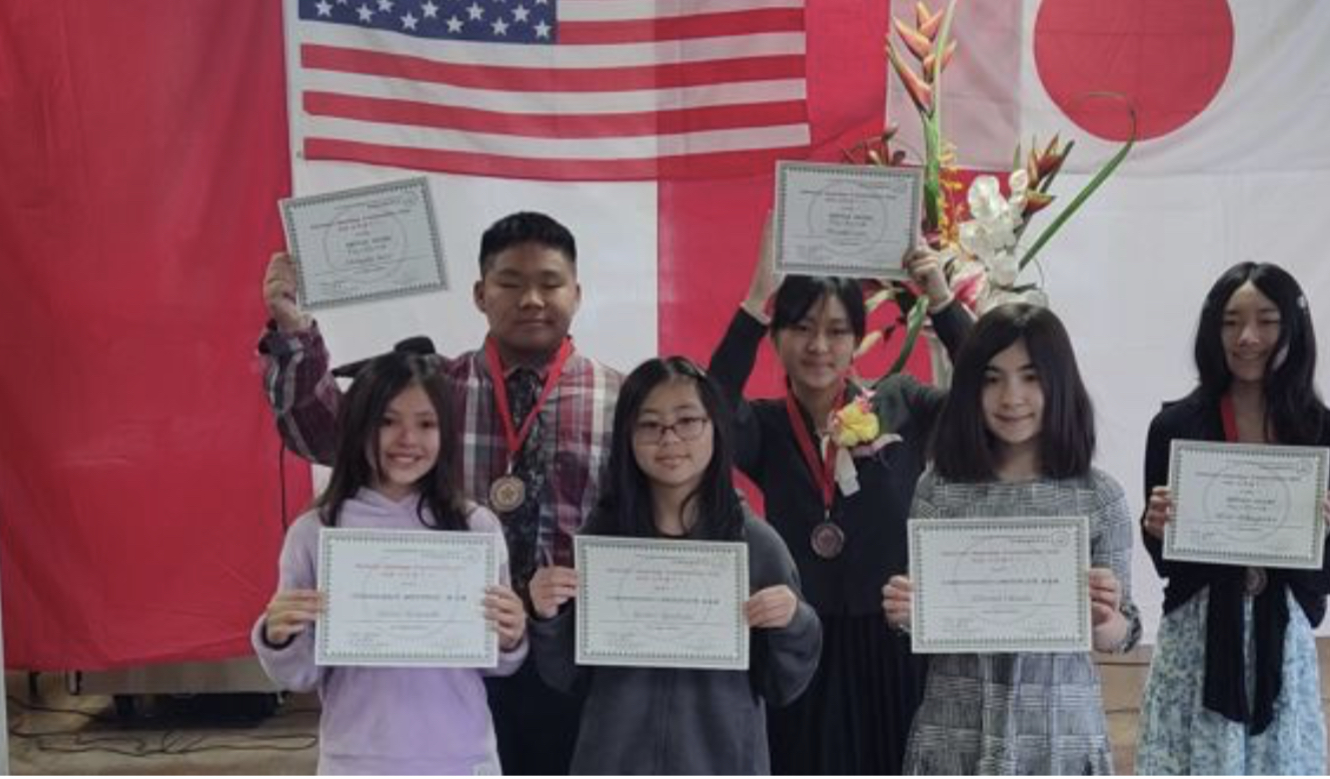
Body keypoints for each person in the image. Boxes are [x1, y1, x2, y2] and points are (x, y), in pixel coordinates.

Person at [259, 211, 620, 774]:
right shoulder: (431, 387)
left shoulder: (620, 400)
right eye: (509, 282)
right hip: (438, 666)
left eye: (550, 283)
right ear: (479, 293)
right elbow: (319, 429)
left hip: (564, 654)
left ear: (577, 293)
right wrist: (293, 331)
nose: (531, 299)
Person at [707, 218, 971, 774]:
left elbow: (984, 391)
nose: (819, 346)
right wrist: (756, 298)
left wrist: (943, 301)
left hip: (892, 647)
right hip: (801, 644)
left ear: (857, 339)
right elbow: (708, 408)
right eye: (801, 328)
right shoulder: (763, 427)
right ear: (777, 337)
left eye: (836, 330)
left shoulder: (900, 403)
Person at [526, 356, 821, 774]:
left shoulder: (755, 543)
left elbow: (784, 684)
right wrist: (548, 617)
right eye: (649, 425)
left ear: (715, 427)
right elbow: (567, 676)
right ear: (626, 436)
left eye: (688, 421)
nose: (669, 439)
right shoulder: (603, 540)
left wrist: (793, 622)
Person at [884, 302, 1140, 775]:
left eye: (1030, 376)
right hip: (953, 734)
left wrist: (1106, 618)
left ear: (1059, 384)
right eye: (991, 378)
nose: (1011, 397)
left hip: (1058, 738)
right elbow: (928, 618)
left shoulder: (1098, 496)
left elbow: (1121, 634)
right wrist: (907, 612)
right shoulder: (938, 490)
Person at [1134, 261, 1330, 775]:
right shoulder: (1174, 428)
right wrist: (1155, 529)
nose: (1248, 337)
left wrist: (1312, 545)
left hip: (1281, 639)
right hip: (1196, 638)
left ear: (1294, 328)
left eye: (1267, 320)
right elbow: (1164, 559)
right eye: (1231, 322)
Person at [253, 352, 528, 775]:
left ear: (445, 433)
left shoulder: (475, 527)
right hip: (356, 758)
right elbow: (302, 674)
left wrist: (510, 638)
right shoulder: (317, 532)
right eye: (386, 421)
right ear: (357, 425)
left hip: (461, 753)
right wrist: (278, 637)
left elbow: (494, 662)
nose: (407, 439)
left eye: (426, 423)